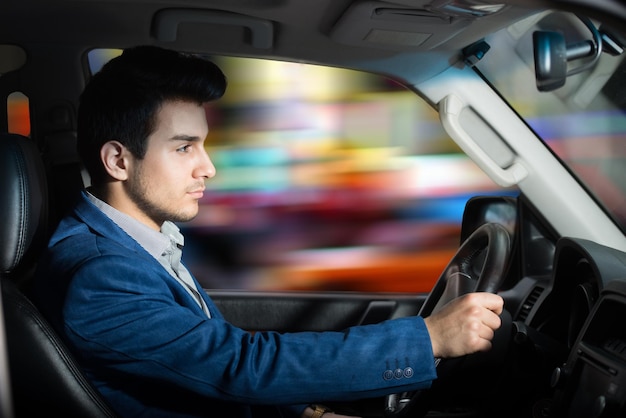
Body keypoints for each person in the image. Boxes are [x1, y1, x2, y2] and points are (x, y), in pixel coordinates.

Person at [33, 45, 504, 418]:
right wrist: (429, 339)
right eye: (183, 148)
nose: (208, 167)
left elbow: (207, 363)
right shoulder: (101, 277)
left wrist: (309, 413)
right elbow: (238, 365)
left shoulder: (132, 244)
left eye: (203, 145)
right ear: (118, 160)